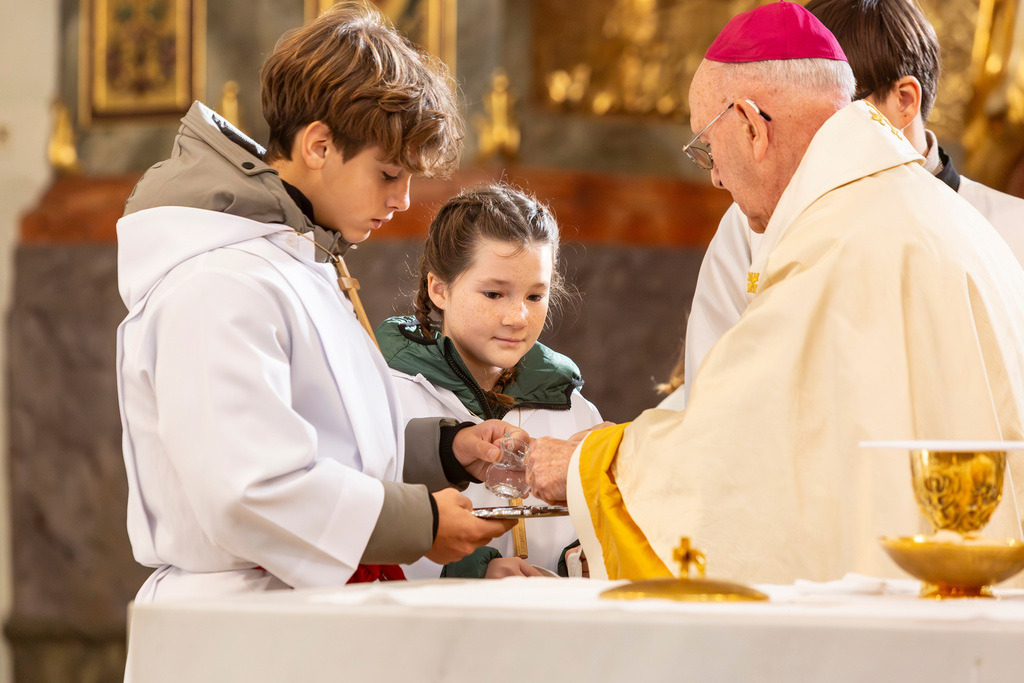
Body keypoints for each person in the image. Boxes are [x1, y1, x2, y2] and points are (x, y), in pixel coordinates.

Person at [525, 1, 1024, 585]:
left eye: (706, 146)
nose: (713, 175)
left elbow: (744, 451)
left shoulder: (837, 239)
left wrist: (589, 465)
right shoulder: (920, 207)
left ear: (752, 124)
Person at [116, 1, 520, 604]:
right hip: (239, 625)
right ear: (319, 145)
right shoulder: (219, 283)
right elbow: (249, 489)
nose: (405, 200)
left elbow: (321, 435)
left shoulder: (296, 258)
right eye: (388, 174)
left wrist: (443, 452)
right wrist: (421, 523)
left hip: (298, 609)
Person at [660, 0, 1024, 410]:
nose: (819, 143)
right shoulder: (751, 227)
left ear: (904, 101)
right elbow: (718, 398)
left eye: (840, 115)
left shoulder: (1009, 231)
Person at [375, 184, 604, 579]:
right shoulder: (386, 394)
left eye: (536, 296)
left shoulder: (571, 405)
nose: (518, 317)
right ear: (439, 289)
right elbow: (360, 530)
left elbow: (581, 538)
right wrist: (476, 573)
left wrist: (584, 560)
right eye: (494, 293)